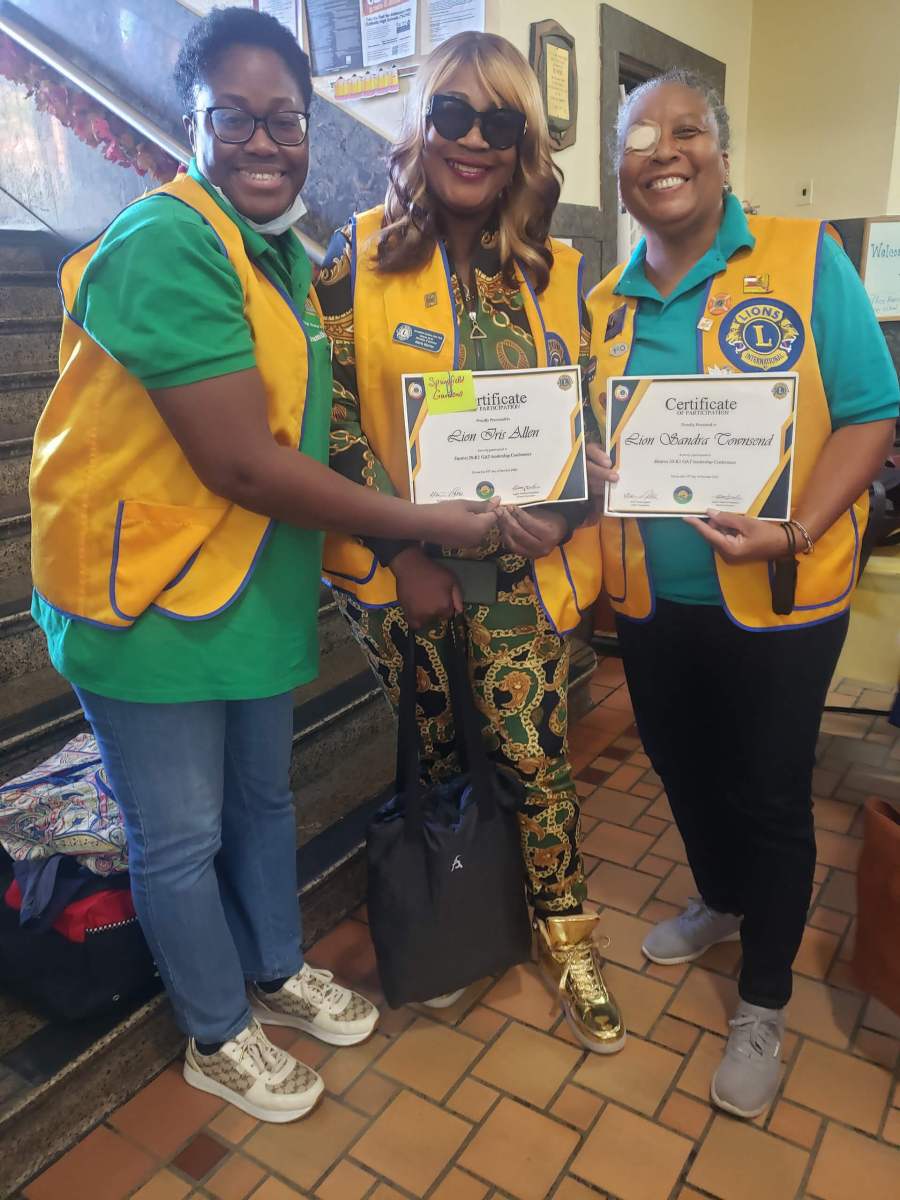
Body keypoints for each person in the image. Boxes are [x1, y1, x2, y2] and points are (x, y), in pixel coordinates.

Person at [28, 7, 496, 1124]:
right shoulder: (164, 242)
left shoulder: (278, 250)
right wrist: (419, 514)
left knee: (261, 798)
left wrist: (401, 526)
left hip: (240, 588)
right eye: (230, 117)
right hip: (144, 597)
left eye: (284, 118)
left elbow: (304, 426)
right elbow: (242, 460)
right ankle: (214, 1030)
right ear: (187, 122)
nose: (263, 141)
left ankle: (275, 970)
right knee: (180, 834)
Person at [585, 69, 899, 1116]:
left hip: (782, 591)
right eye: (640, 139)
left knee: (770, 790)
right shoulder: (603, 305)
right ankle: (720, 899)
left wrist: (797, 526)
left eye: (688, 132)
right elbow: (606, 445)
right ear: (620, 173)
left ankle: (763, 1001)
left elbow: (869, 412)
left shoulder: (806, 261)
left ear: (722, 158)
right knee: (679, 763)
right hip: (649, 594)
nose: (664, 151)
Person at [317, 31, 625, 1053]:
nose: (474, 140)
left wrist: (571, 507)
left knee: (535, 758)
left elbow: (583, 418)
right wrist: (404, 556)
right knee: (442, 755)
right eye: (452, 112)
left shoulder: (557, 267)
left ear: (524, 142)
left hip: (519, 576)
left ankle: (566, 933)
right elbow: (334, 425)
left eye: (502, 122)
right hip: (406, 580)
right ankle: (468, 923)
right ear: (420, 123)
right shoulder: (353, 257)